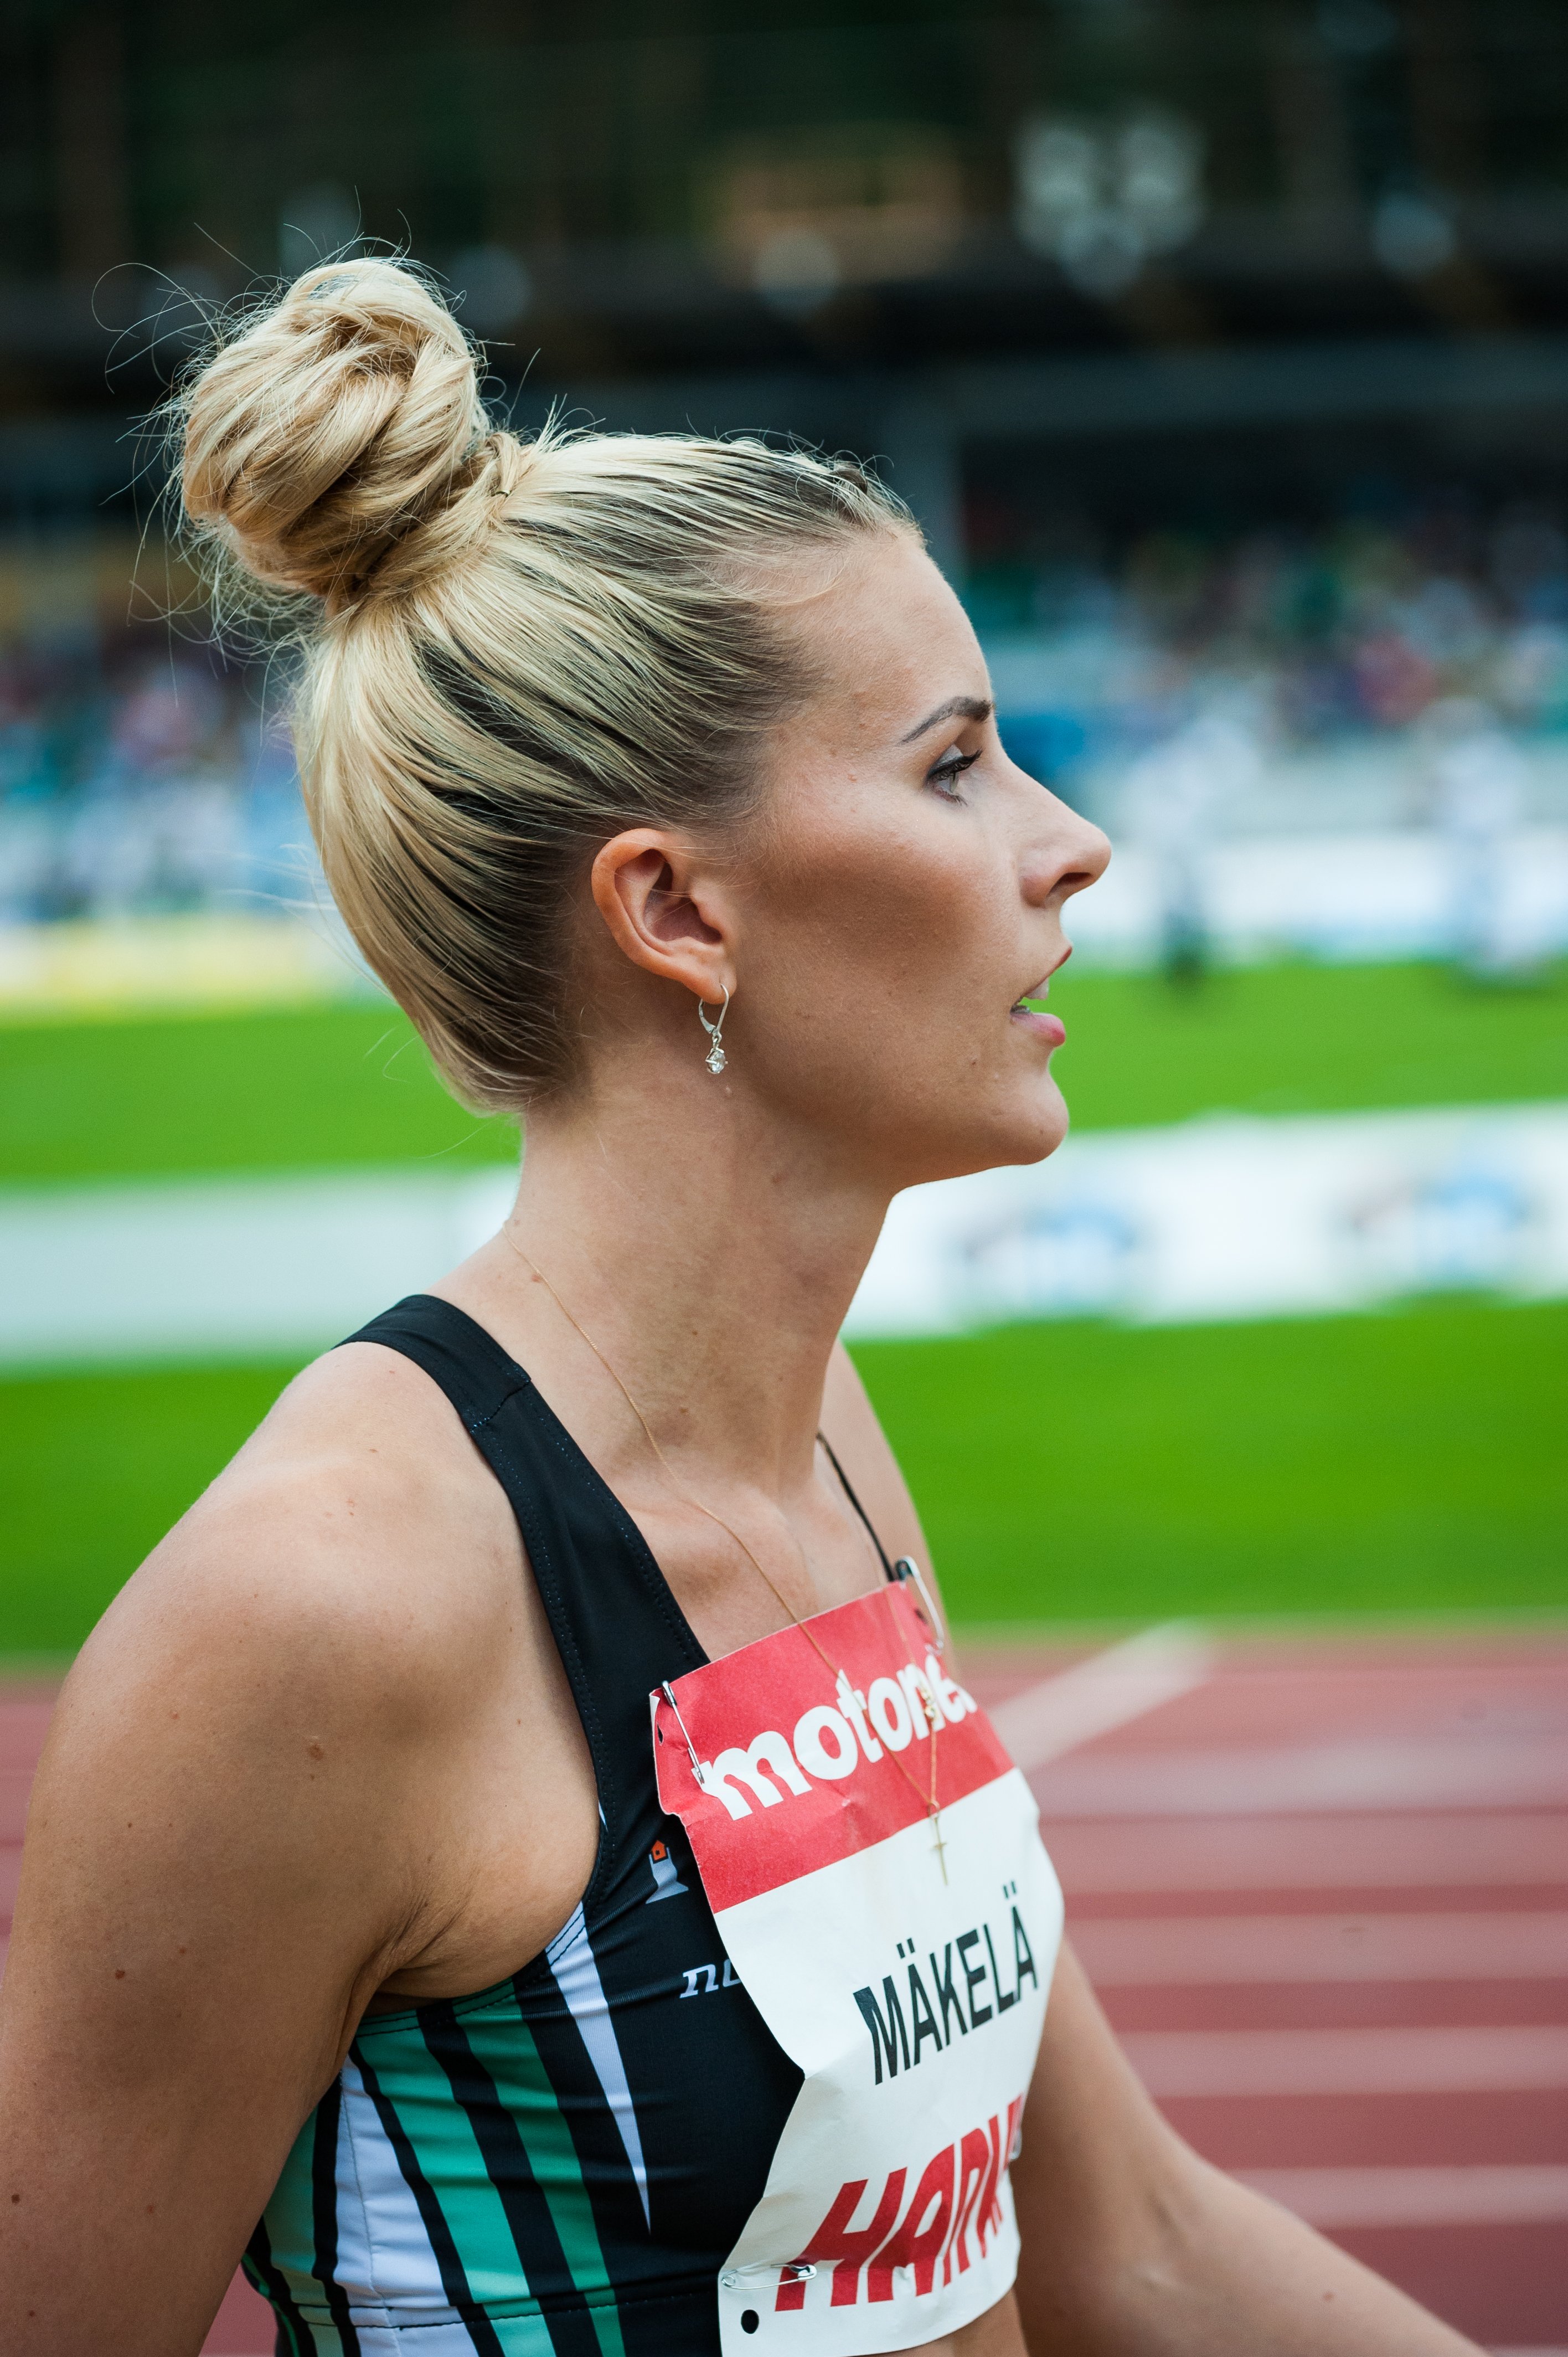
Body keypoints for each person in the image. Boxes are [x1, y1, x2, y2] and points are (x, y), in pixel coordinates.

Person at [0, 260, 1484, 2357]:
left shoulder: (825, 1445)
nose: (1077, 844)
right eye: (958, 766)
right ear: (676, 909)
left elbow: (1126, 2241)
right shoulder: (320, 1617)